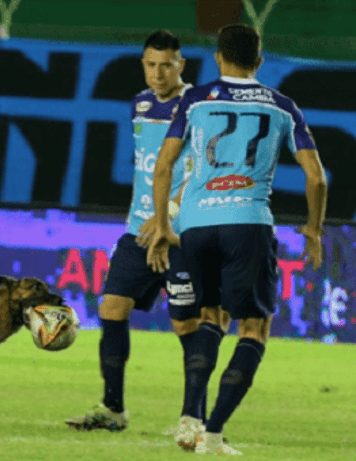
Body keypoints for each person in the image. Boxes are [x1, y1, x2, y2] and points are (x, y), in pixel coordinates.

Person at [149, 24, 327, 454]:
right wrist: (314, 230)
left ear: (218, 58)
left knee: (210, 317)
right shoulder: (283, 106)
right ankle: (213, 434)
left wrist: (162, 226)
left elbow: (163, 166)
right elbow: (317, 178)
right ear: (260, 62)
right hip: (248, 220)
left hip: (196, 224)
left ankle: (189, 421)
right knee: (254, 325)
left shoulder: (194, 99)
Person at [66, 30, 227, 432]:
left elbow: (205, 170)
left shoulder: (200, 108)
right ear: (143, 64)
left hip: (181, 233)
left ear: (181, 65)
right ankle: (112, 408)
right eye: (151, 65)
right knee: (111, 310)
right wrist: (149, 219)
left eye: (166, 65)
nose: (158, 73)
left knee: (185, 324)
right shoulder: (140, 104)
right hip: (138, 230)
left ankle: (195, 417)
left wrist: (167, 216)